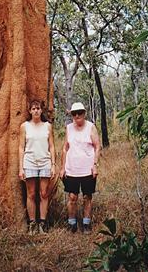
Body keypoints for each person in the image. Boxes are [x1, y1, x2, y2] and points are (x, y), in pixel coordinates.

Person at [60, 102, 100, 233]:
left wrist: (95, 165)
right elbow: (65, 148)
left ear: (84, 113)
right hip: (72, 169)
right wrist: (62, 168)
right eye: (74, 113)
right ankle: (72, 223)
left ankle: (86, 223)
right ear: (71, 115)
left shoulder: (90, 127)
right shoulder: (69, 128)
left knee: (87, 196)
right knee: (72, 197)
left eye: (80, 113)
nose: (77, 116)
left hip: (87, 169)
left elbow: (97, 146)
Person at [19, 99, 56, 234]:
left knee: (44, 194)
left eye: (38, 108)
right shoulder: (25, 126)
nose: (36, 111)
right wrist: (20, 168)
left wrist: (53, 165)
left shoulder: (47, 126)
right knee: (31, 194)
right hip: (29, 162)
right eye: (33, 109)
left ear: (41, 110)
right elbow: (21, 147)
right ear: (30, 111)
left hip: (45, 162)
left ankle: (42, 223)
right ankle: (32, 224)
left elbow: (51, 146)